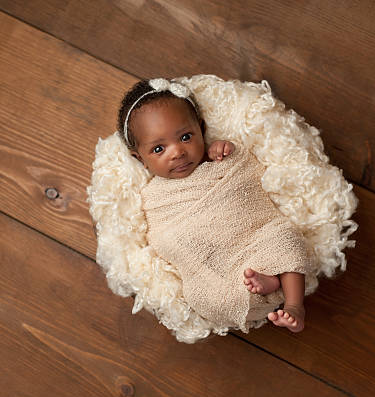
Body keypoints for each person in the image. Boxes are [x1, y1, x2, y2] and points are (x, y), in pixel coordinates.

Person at [117, 78, 307, 332]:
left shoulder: (217, 158)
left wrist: (222, 152)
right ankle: (269, 283)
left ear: (201, 129)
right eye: (159, 149)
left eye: (185, 137)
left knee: (284, 237)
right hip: (216, 269)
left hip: (256, 238)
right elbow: (164, 237)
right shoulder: (153, 197)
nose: (177, 152)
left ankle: (294, 304)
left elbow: (246, 178)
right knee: (202, 298)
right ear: (140, 159)